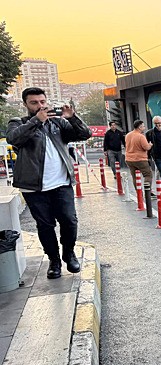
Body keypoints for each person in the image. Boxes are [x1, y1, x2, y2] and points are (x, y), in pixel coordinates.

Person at [6, 87, 91, 279]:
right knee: (45, 226)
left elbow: (84, 134)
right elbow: (14, 138)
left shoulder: (58, 124)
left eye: (42, 102)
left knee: (69, 220)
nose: (40, 106)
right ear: (26, 104)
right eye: (34, 103)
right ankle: (54, 261)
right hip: (33, 186)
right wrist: (37, 120)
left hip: (61, 182)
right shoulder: (18, 123)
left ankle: (68, 253)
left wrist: (72, 117)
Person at [125, 120, 154, 190]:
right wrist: (150, 145)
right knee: (148, 174)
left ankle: (138, 192)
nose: (144, 128)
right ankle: (147, 191)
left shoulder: (128, 135)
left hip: (129, 159)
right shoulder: (141, 136)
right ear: (140, 127)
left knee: (134, 176)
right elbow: (146, 147)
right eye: (143, 126)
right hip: (140, 159)